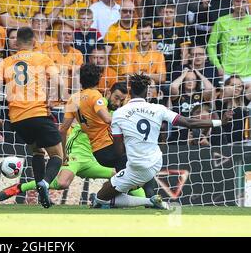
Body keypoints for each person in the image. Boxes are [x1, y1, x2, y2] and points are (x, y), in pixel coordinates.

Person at [90, 73, 232, 209]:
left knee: (99, 199)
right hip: (155, 162)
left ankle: (150, 201)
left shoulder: (119, 114)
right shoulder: (158, 109)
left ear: (129, 90)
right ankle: (149, 198)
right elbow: (189, 123)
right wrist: (220, 121)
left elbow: (119, 151)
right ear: (147, 92)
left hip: (137, 166)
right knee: (120, 190)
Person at [0, 27, 64, 208]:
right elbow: (59, 82)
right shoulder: (42, 58)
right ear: (34, 42)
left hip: (17, 120)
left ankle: (41, 196)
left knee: (37, 152)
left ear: (16, 43)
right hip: (38, 113)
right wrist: (56, 100)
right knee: (58, 156)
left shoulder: (5, 62)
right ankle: (44, 183)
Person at [207, 0, 251, 83]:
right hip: (227, 72)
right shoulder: (221, 21)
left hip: (248, 72)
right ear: (233, 3)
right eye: (237, 1)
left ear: (247, 3)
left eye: (243, 2)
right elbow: (211, 45)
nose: (240, 4)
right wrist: (218, 66)